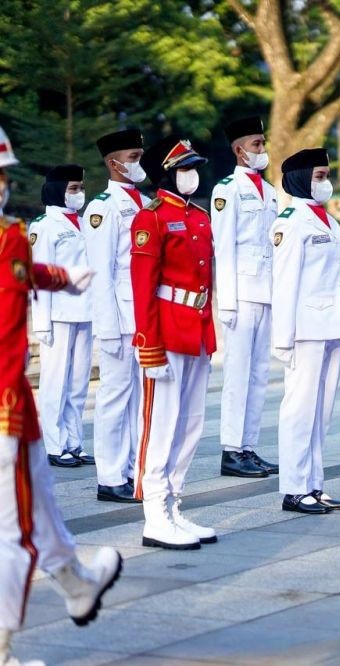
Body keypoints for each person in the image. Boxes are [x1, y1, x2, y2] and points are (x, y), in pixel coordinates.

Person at [1, 134, 121, 666]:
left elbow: (21, 277)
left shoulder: (10, 241)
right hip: (4, 405)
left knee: (40, 500)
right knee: (13, 531)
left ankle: (75, 584)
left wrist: (62, 278)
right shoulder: (8, 237)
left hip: (16, 409)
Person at [131, 137, 217, 549]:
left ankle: (174, 506)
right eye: (184, 169)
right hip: (165, 329)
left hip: (196, 326)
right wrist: (148, 344)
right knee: (161, 424)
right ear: (166, 173)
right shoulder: (152, 218)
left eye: (193, 167)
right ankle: (154, 513)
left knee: (190, 424)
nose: (192, 175)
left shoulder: (198, 216)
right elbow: (143, 287)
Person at [270, 148, 340, 514]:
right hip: (304, 328)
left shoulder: (327, 220)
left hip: (331, 323)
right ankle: (294, 488)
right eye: (319, 176)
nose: (325, 183)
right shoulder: (290, 222)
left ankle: (314, 484)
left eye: (325, 175)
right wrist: (282, 338)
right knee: (300, 409)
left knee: (321, 411)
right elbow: (284, 283)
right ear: (301, 179)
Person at [212, 116, 280, 478]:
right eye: (256, 144)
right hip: (241, 292)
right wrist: (227, 302)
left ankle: (249, 446)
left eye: (263, 143)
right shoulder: (227, 189)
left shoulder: (268, 190)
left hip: (265, 291)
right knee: (238, 374)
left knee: (259, 374)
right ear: (239, 150)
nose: (262, 149)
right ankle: (231, 449)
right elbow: (222, 247)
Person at [84, 129, 148, 503]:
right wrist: (107, 328)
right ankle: (110, 476)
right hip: (119, 319)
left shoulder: (147, 202)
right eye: (134, 156)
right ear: (113, 163)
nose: (138, 163)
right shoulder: (102, 208)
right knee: (115, 396)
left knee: (140, 399)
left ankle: (132, 469)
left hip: (143, 317)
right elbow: (101, 272)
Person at [29, 165, 95, 468]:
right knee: (55, 382)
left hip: (85, 310)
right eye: (72, 188)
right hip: (57, 313)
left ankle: (74, 441)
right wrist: (41, 323)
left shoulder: (83, 222)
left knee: (79, 383)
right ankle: (53, 445)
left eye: (80, 188)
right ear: (57, 189)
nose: (78, 194)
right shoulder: (44, 225)